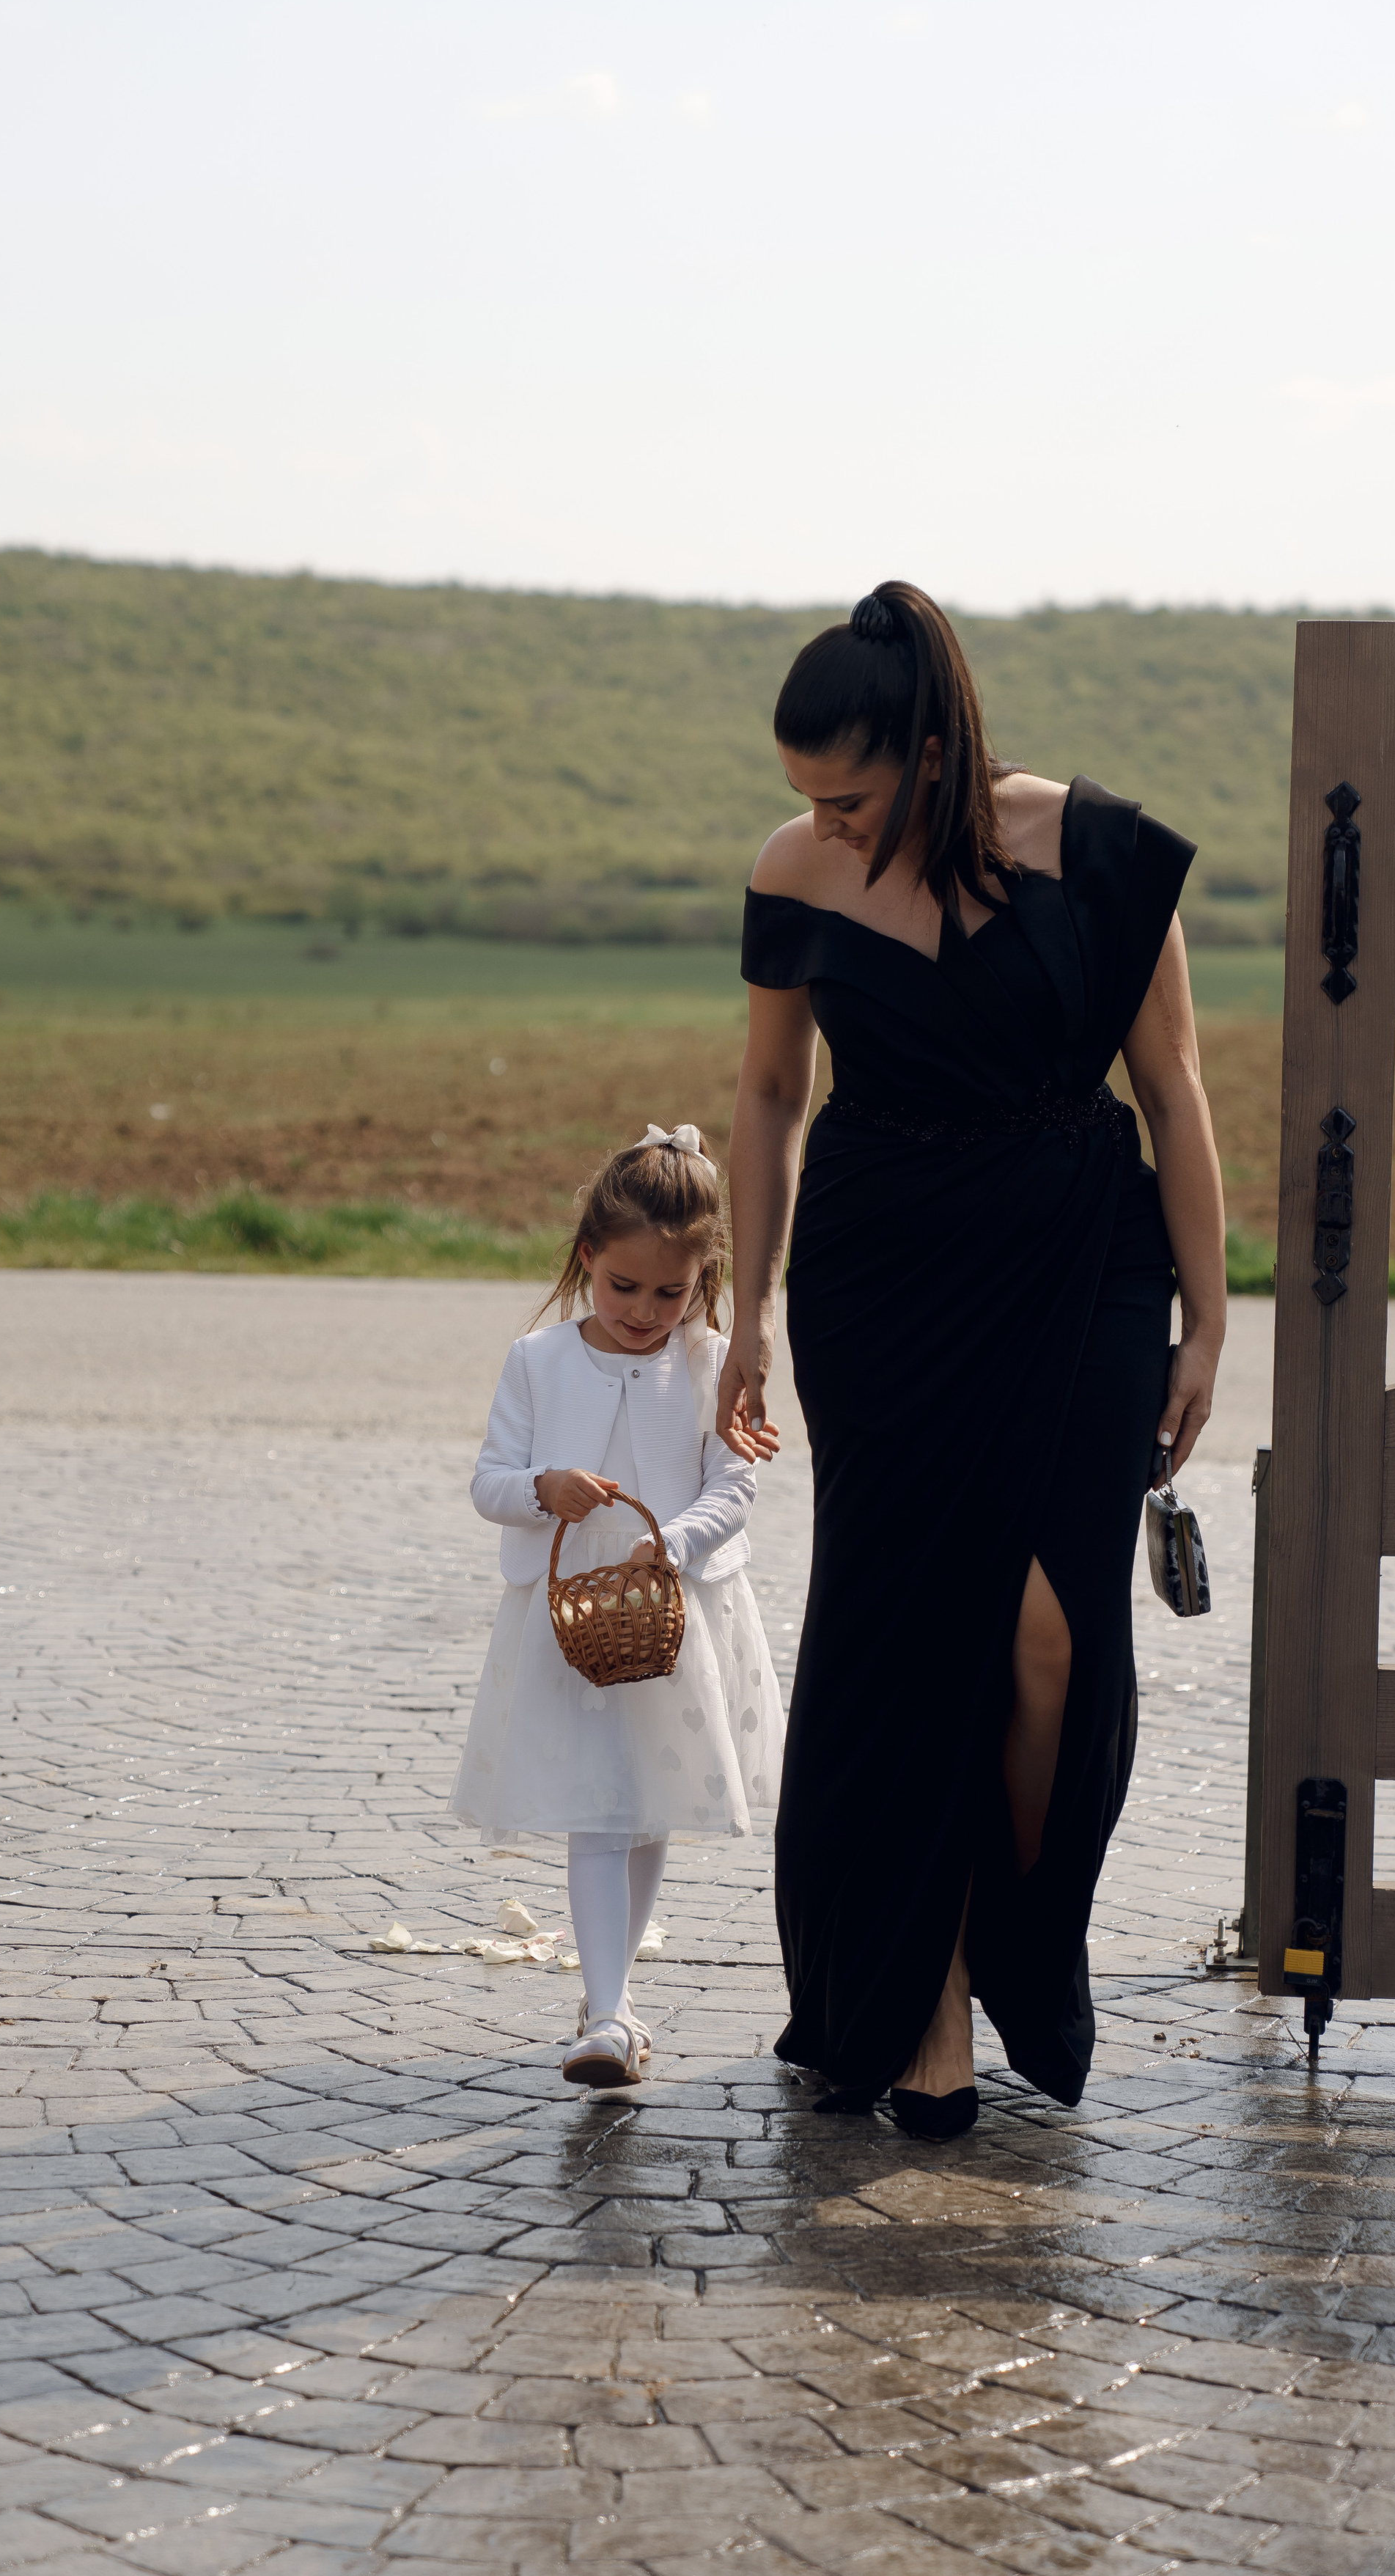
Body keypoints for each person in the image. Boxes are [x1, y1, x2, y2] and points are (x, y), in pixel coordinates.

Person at [720, 582, 1226, 2138]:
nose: (822, 826)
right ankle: (922, 1996)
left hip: (1083, 1270)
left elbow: (1173, 1087)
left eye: (850, 798)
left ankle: (1014, 1937)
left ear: (932, 754)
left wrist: (1210, 1318)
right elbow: (769, 1095)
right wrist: (746, 1310)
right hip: (881, 1287)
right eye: (805, 797)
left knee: (1049, 1642)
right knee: (906, 1637)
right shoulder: (793, 872)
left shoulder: (1102, 856)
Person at [452, 1123, 784, 2090]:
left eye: (669, 1294)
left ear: (703, 1277)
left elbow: (736, 1483)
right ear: (588, 1257)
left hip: (674, 1618)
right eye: (623, 1286)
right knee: (598, 1812)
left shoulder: (715, 1361)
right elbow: (489, 1481)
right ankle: (605, 2013)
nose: (645, 1312)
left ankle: (614, 1997)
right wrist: (542, 1487)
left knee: (646, 1811)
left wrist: (674, 1541)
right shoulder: (538, 1361)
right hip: (572, 1624)